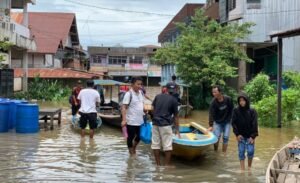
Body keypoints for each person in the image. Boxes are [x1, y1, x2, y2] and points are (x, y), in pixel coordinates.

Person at [151, 82, 180, 166]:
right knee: (167, 146)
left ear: (166, 89)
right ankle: (167, 166)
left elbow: (152, 109)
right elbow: (176, 116)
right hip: (165, 125)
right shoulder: (174, 100)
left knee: (155, 145)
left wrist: (155, 116)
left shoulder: (158, 96)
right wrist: (177, 130)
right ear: (175, 90)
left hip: (155, 123)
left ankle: (158, 165)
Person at [232, 93, 258, 170]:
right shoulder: (236, 110)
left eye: (243, 100)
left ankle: (249, 167)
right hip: (241, 136)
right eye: (240, 101)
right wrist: (237, 135)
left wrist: (253, 136)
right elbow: (233, 123)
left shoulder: (252, 111)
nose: (242, 102)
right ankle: (242, 169)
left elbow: (255, 124)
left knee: (250, 151)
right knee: (241, 152)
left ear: (247, 101)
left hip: (250, 136)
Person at [121, 77, 144, 156]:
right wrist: (124, 120)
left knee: (139, 136)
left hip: (140, 120)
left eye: (141, 84)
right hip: (131, 120)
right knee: (130, 137)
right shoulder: (129, 94)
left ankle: (133, 148)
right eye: (138, 84)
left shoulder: (141, 93)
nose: (140, 86)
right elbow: (124, 107)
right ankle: (131, 153)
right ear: (132, 84)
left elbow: (140, 104)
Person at [208, 85, 233, 153]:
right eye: (213, 92)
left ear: (220, 92)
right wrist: (211, 125)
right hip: (217, 122)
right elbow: (211, 114)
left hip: (227, 122)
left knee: (225, 138)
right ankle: (215, 152)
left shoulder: (228, 99)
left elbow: (231, 109)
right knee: (216, 138)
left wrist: (231, 119)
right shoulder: (213, 103)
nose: (214, 94)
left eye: (215, 92)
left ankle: (223, 153)